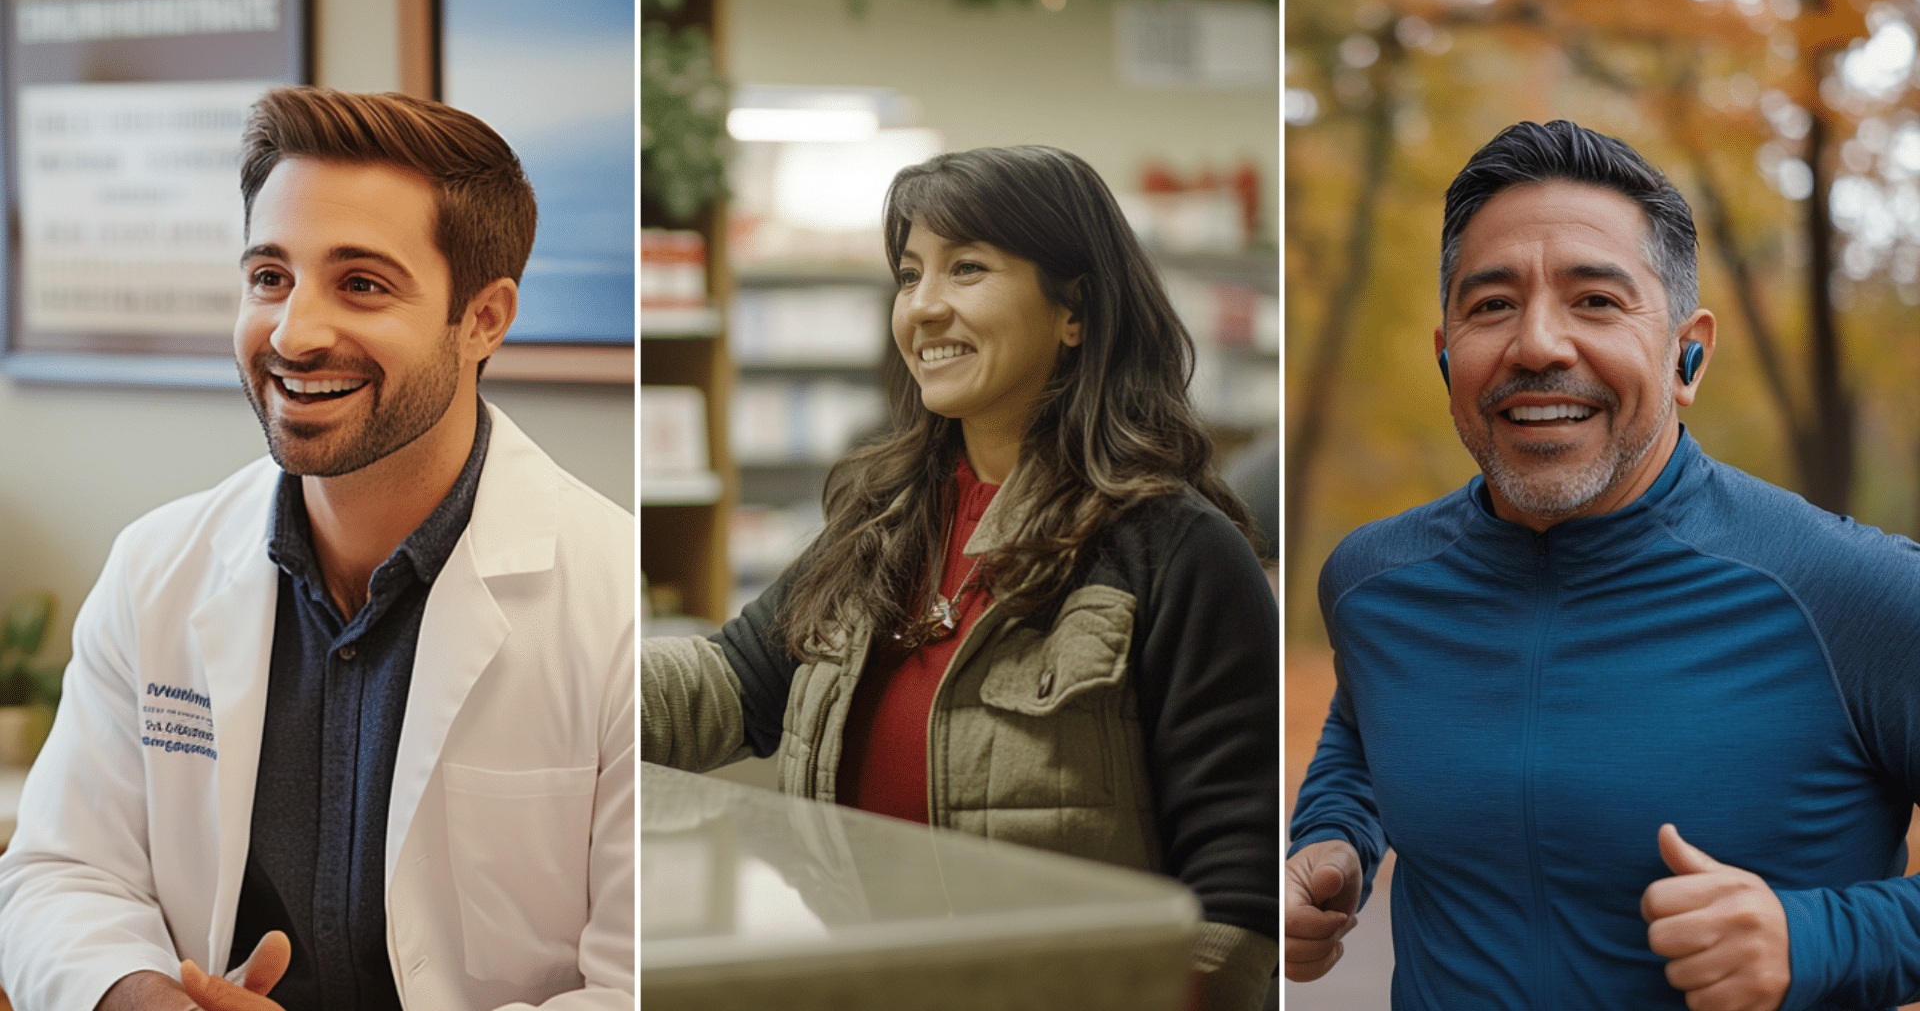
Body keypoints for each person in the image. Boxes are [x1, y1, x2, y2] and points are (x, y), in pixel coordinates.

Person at [0, 88, 634, 1011]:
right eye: (270, 277)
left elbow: (633, 987)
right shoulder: (155, 571)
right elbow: (58, 873)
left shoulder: (609, 599)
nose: (294, 333)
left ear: (485, 319)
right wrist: (143, 997)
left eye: (362, 284)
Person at [1286, 119, 1920, 1009]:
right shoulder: (1373, 584)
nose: (1538, 344)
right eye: (1492, 304)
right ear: (1446, 357)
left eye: (1596, 301)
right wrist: (1332, 838)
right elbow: (1363, 728)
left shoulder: (1858, 595)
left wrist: (1819, 940)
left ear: (1687, 354)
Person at [642, 145, 1279, 1010]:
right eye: (910, 276)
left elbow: (1234, 902)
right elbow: (721, 686)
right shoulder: (877, 526)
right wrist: (543, 672)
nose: (924, 307)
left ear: (1076, 312)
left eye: (967, 269)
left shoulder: (1175, 550)